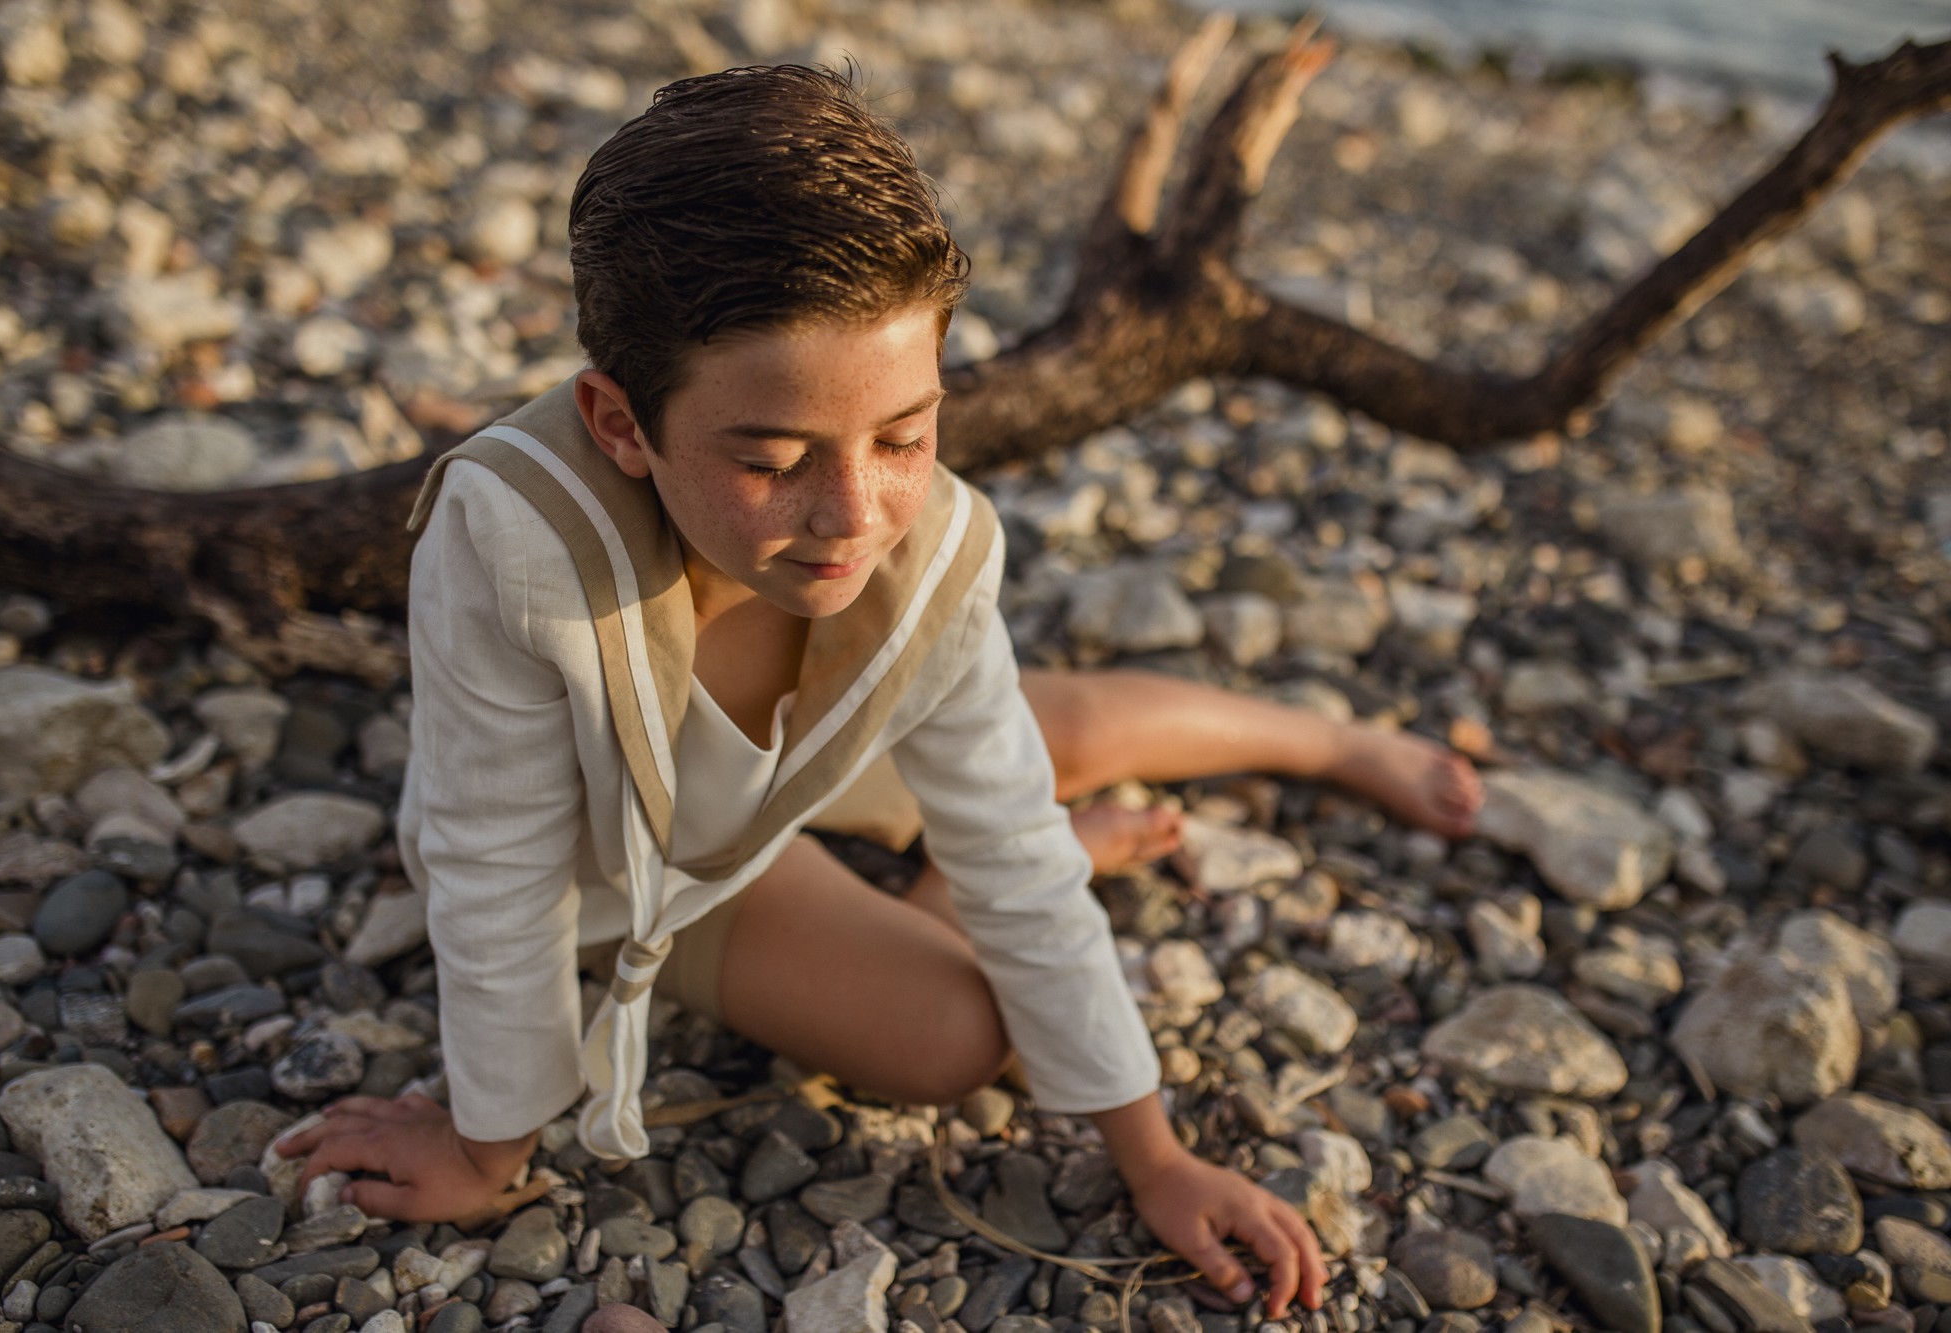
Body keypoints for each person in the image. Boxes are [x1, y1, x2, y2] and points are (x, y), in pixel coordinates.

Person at [280, 64, 1481, 1318]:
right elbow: (496, 861)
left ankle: (1326, 738)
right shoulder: (513, 541)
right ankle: (920, 881)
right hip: (641, 861)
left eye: (904, 437)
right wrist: (488, 1146)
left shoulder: (928, 549)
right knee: (953, 1039)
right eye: (775, 458)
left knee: (1025, 746)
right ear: (621, 422)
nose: (852, 517)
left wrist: (1156, 1156)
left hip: (803, 757)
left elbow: (1012, 846)